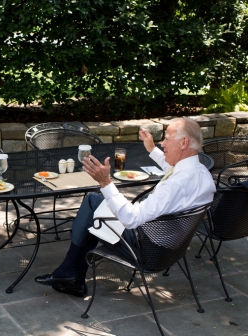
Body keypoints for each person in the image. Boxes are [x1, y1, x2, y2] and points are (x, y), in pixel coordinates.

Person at [35, 117, 215, 297]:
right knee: (96, 208)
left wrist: (105, 182)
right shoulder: (202, 175)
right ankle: (71, 273)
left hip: (147, 249)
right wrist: (151, 148)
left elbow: (131, 218)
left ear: (183, 143)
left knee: (92, 203)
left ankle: (69, 273)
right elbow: (173, 168)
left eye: (167, 139)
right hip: (172, 248)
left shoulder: (174, 185)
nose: (163, 144)